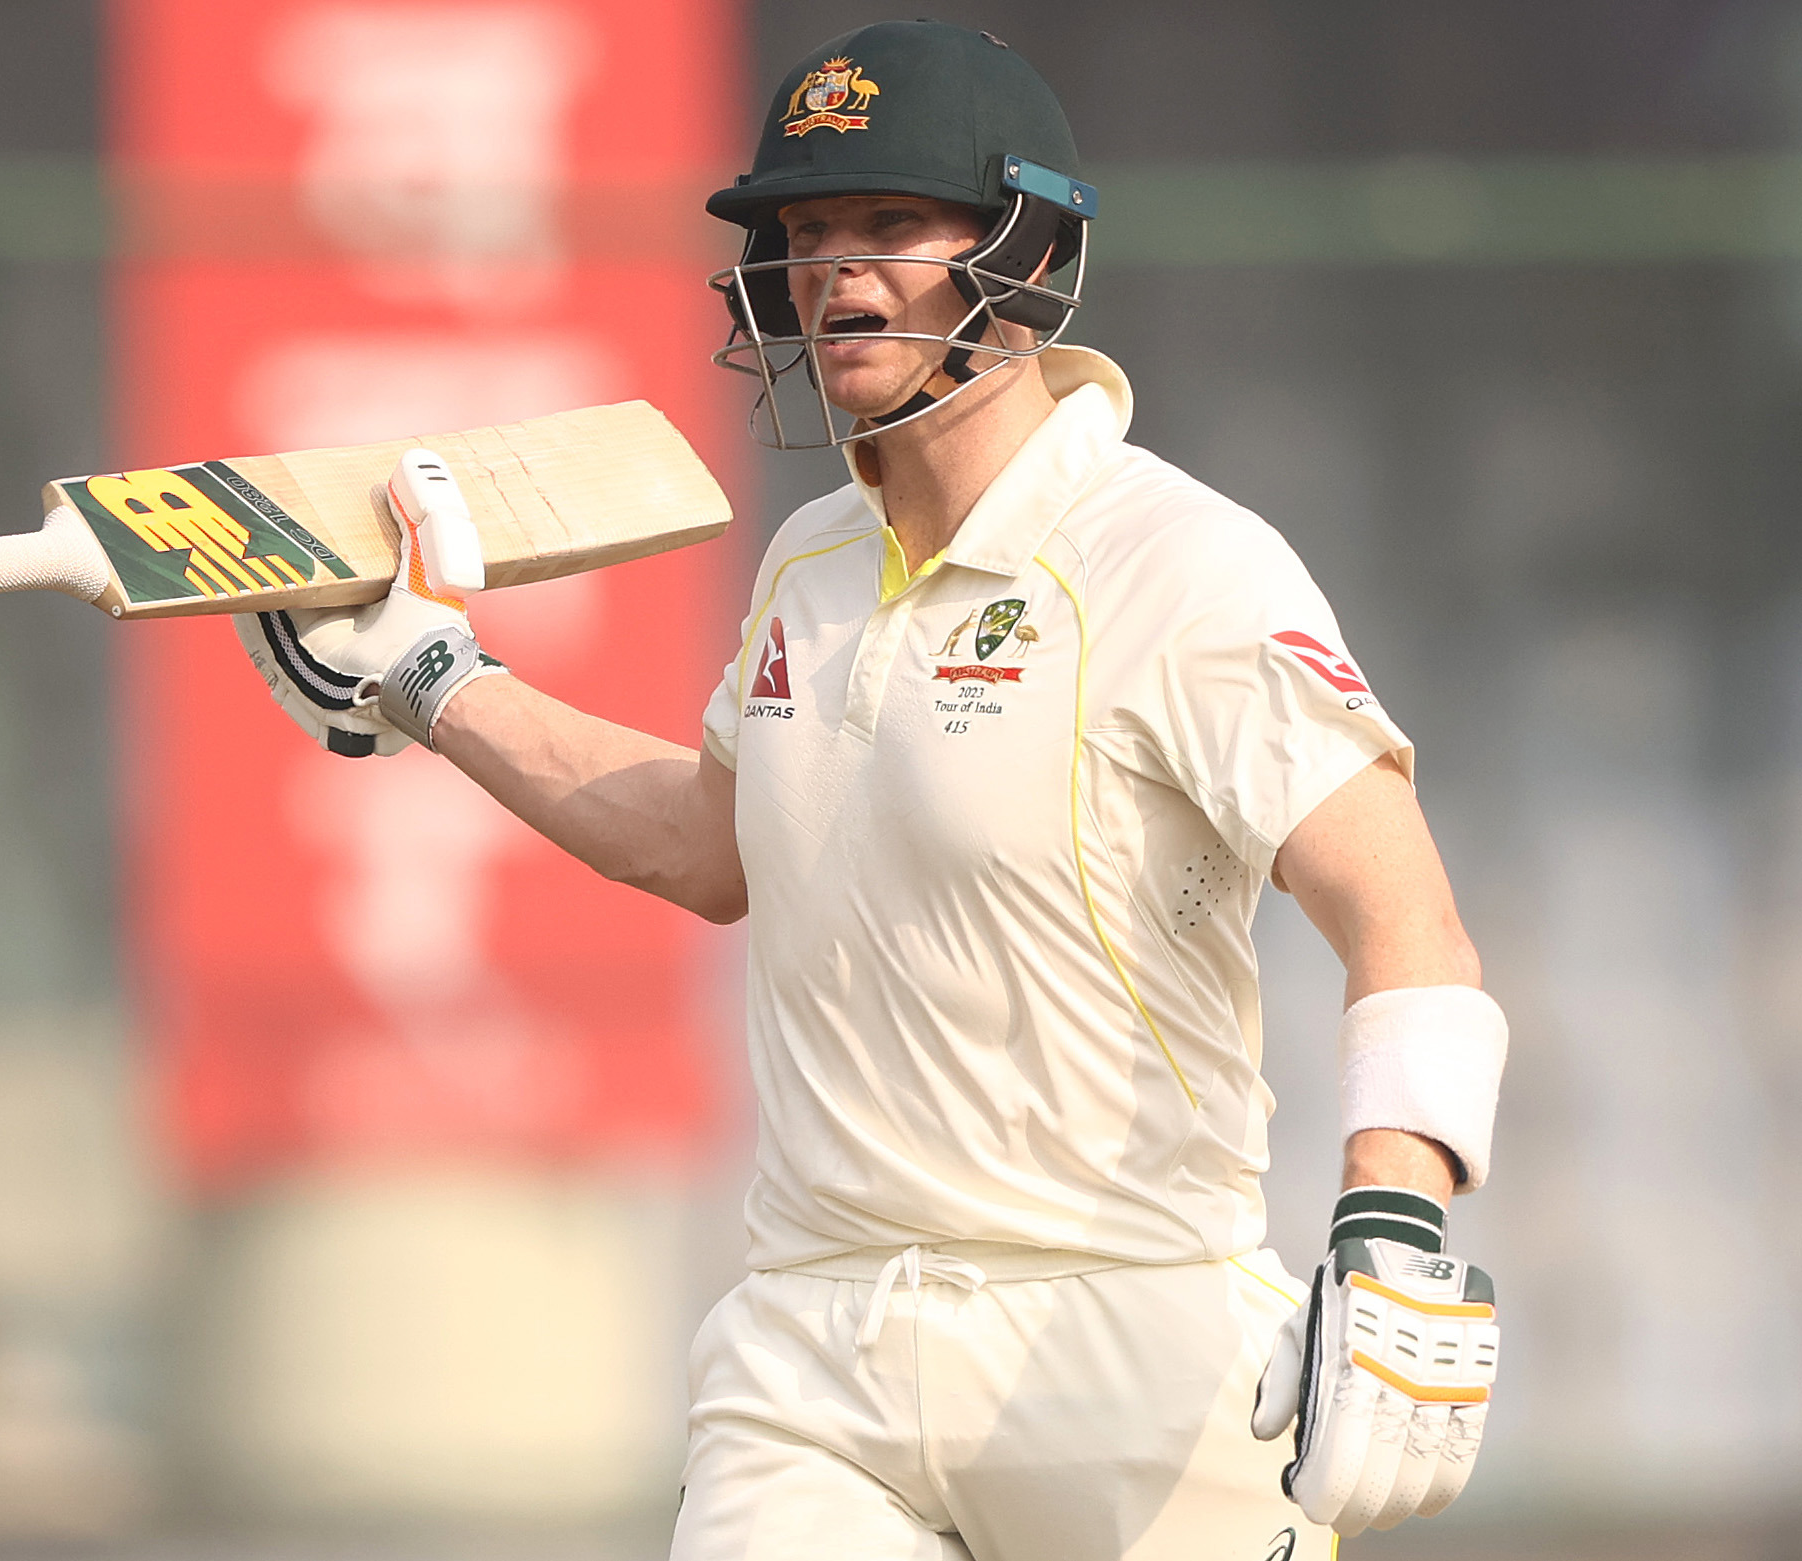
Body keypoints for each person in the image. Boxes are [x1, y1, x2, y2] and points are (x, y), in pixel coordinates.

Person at [235, 20, 1505, 1561]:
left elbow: (1405, 915)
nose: (835, 271)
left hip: (1125, 1339)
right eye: (807, 231)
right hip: (813, 1346)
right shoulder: (811, 562)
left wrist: (1393, 1218)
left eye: (892, 224)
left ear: (1029, 250)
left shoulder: (1180, 564)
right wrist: (436, 681)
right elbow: (710, 843)